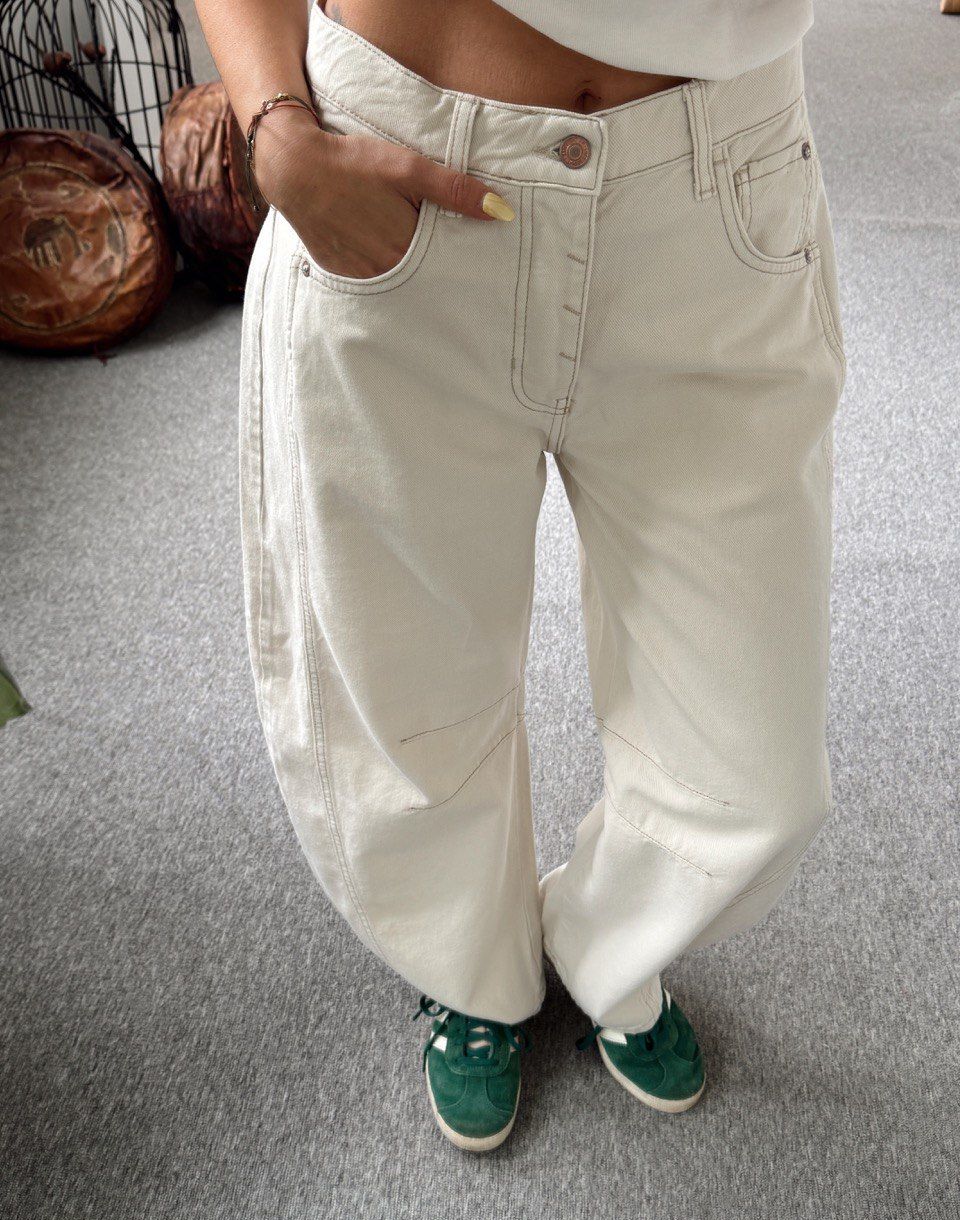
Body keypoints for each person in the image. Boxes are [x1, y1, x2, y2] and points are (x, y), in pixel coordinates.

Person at [194, 0, 845, 1152]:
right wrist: (277, 130)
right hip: (400, 171)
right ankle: (471, 968)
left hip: (712, 199)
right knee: (405, 681)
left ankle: (610, 936)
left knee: (756, 770)